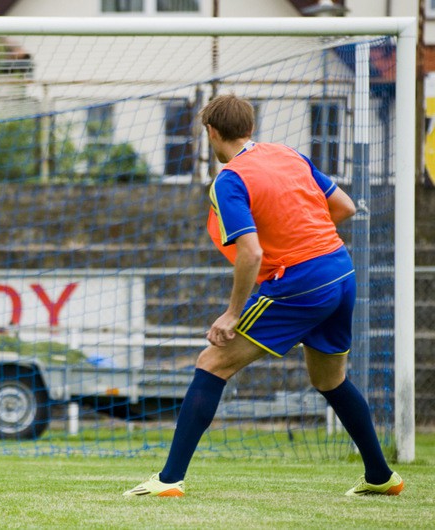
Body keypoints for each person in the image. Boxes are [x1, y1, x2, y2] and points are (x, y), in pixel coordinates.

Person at [123, 94, 403, 498]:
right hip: (341, 271)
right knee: (330, 378)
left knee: (212, 362)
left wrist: (232, 313)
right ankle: (381, 477)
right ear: (250, 128)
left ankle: (169, 481)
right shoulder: (288, 154)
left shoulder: (230, 179)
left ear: (213, 133)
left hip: (301, 281)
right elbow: (343, 207)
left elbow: (251, 252)